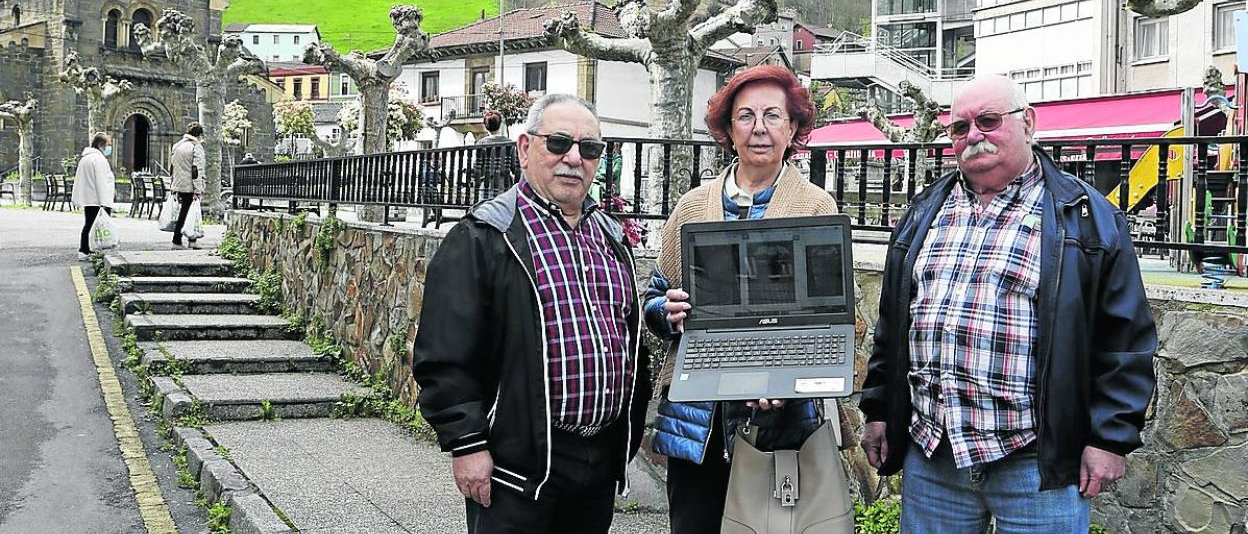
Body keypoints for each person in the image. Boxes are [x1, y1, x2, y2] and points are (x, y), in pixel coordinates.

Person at [860, 74, 1157, 533]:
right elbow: (892, 325)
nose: (974, 136)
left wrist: (1110, 438)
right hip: (934, 454)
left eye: (989, 120)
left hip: (1035, 460)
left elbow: (1125, 339)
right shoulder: (924, 211)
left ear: (1028, 123)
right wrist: (879, 411)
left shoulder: (1087, 218)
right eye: (960, 128)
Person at [413, 93, 650, 534]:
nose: (574, 158)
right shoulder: (485, 235)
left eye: (589, 148)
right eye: (558, 143)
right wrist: (466, 444)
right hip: (517, 464)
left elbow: (626, 337)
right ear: (525, 149)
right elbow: (443, 353)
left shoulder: (611, 237)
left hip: (598, 461)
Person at [642, 65, 840, 534]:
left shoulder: (816, 206)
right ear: (728, 130)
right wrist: (666, 314)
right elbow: (652, 297)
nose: (759, 127)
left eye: (774, 115)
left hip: (780, 419)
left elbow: (829, 317)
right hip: (699, 421)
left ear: (793, 128)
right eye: (746, 115)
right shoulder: (692, 206)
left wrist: (787, 379)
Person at [72, 132, 115, 260]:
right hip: (97, 198)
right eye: (108, 145)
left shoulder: (86, 158)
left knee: (89, 224)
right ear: (101, 145)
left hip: (89, 198)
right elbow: (101, 181)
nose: (109, 148)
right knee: (94, 225)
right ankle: (86, 249)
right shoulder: (98, 159)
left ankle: (86, 249)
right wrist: (105, 202)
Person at [169, 123, 206, 249]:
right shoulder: (196, 147)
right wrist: (198, 188)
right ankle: (177, 240)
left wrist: (173, 184)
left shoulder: (177, 146)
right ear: (199, 135)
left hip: (179, 184)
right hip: (190, 185)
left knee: (187, 212)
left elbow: (172, 166)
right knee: (186, 213)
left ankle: (192, 239)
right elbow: (196, 169)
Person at [476, 110, 516, 201]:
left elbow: (477, 168)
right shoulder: (510, 143)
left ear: (486, 126)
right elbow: (514, 167)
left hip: (486, 187)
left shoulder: (481, 143)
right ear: (500, 124)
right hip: (505, 188)